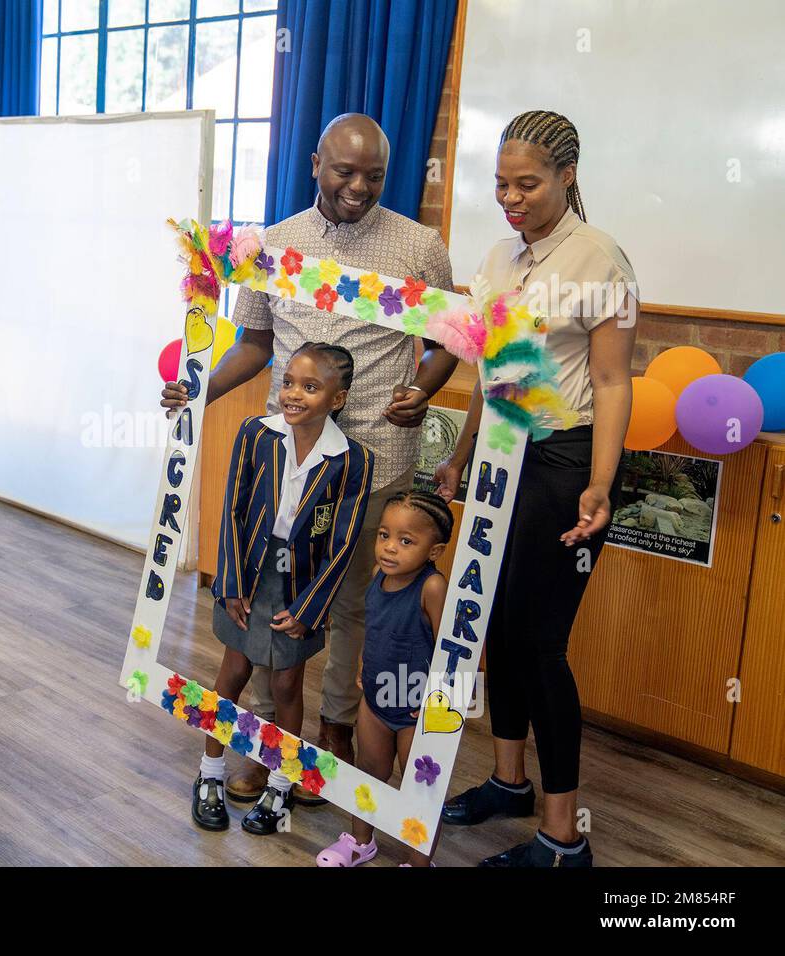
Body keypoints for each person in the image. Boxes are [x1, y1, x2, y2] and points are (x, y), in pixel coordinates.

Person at [163, 113, 457, 805]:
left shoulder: (420, 246)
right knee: (277, 597)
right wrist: (198, 392)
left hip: (375, 461)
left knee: (355, 603)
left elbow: (456, 342)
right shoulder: (272, 246)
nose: (359, 187)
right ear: (315, 165)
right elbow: (255, 345)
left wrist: (423, 386)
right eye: (345, 171)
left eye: (375, 175)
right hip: (289, 463)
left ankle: (337, 732)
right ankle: (270, 742)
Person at [435, 110, 637, 868]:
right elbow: (497, 370)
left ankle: (562, 840)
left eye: (528, 184)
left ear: (567, 176)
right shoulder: (496, 256)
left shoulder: (600, 260)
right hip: (499, 455)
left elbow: (614, 383)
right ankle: (510, 782)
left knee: (541, 644)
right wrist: (460, 454)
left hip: (564, 461)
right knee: (495, 628)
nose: (511, 198)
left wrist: (600, 484)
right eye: (501, 184)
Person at [192, 343, 373, 835]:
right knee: (233, 671)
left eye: (310, 387)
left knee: (289, 684)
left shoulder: (352, 459)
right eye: (289, 381)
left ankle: (280, 784)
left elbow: (343, 541)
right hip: (248, 577)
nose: (293, 394)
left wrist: (310, 608)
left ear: (337, 399)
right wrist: (229, 583)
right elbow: (232, 509)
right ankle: (209, 773)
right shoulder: (256, 434)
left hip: (299, 585)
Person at [316, 491, 450, 868]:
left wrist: (438, 709)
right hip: (375, 699)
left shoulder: (432, 588)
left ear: (434, 551)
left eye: (406, 541)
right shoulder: (378, 576)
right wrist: (362, 664)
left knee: (421, 788)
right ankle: (360, 843)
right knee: (369, 772)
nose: (390, 548)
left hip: (416, 710)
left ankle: (419, 862)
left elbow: (454, 653)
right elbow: (375, 629)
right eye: (384, 535)